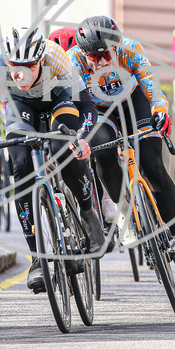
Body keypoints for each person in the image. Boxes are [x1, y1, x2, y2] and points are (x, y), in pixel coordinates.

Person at [67, 15, 175, 281]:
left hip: (133, 103)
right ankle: (124, 215)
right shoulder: (73, 61)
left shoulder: (130, 50)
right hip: (98, 111)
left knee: (152, 166)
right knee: (103, 155)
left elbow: (152, 89)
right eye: (94, 56)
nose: (102, 61)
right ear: (84, 53)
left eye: (106, 53)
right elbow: (72, 104)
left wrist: (161, 111)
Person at [0, 25, 106, 293]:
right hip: (17, 105)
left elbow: (87, 105)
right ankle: (37, 258)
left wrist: (82, 136)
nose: (20, 74)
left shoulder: (58, 57)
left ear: (42, 60)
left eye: (30, 66)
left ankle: (87, 211)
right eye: (14, 66)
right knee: (21, 166)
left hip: (57, 99)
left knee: (63, 147)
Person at [49, 26, 116, 225]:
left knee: (96, 149)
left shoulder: (86, 60)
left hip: (89, 105)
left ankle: (105, 200)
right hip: (61, 106)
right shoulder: (47, 63)